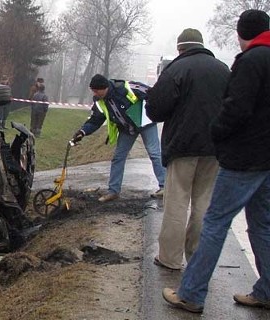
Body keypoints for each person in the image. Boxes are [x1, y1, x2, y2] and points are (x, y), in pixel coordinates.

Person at [162, 9, 270, 313]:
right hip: (266, 160)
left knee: (214, 223)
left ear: (241, 33)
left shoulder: (251, 60)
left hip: (243, 159)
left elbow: (236, 108)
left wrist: (217, 132)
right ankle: (267, 290)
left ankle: (191, 293)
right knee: (262, 226)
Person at [146, 28, 230, 270]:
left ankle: (170, 258)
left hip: (182, 146)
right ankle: (197, 259)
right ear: (202, 45)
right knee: (204, 202)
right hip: (214, 147)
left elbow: (156, 110)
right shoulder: (223, 70)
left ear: (180, 48)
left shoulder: (176, 70)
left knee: (177, 201)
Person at [71, 74, 166, 202]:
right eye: (93, 91)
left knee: (154, 153)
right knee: (118, 158)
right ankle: (113, 191)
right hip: (127, 129)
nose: (95, 93)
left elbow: (152, 93)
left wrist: (154, 110)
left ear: (104, 87)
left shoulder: (126, 87)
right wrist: (82, 132)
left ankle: (165, 187)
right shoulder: (99, 102)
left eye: (96, 90)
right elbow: (95, 121)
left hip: (145, 122)